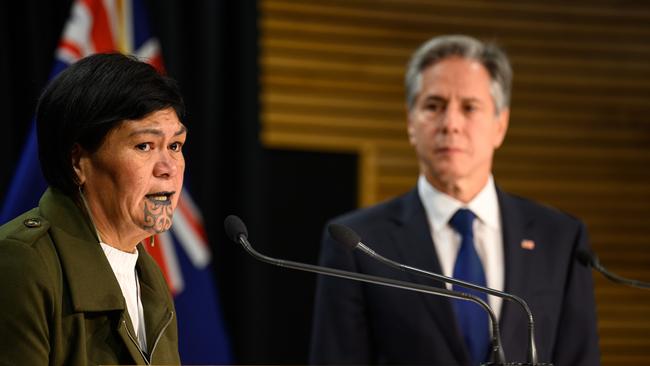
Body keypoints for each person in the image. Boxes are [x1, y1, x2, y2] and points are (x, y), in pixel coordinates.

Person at [310, 35, 600, 365]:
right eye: (433, 106)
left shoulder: (560, 238)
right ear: (410, 123)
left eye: (469, 107)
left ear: (500, 125)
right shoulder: (356, 243)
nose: (450, 124)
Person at [0, 53, 186, 365]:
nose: (168, 168)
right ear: (78, 162)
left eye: (175, 146)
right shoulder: (22, 264)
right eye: (144, 146)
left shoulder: (149, 277)